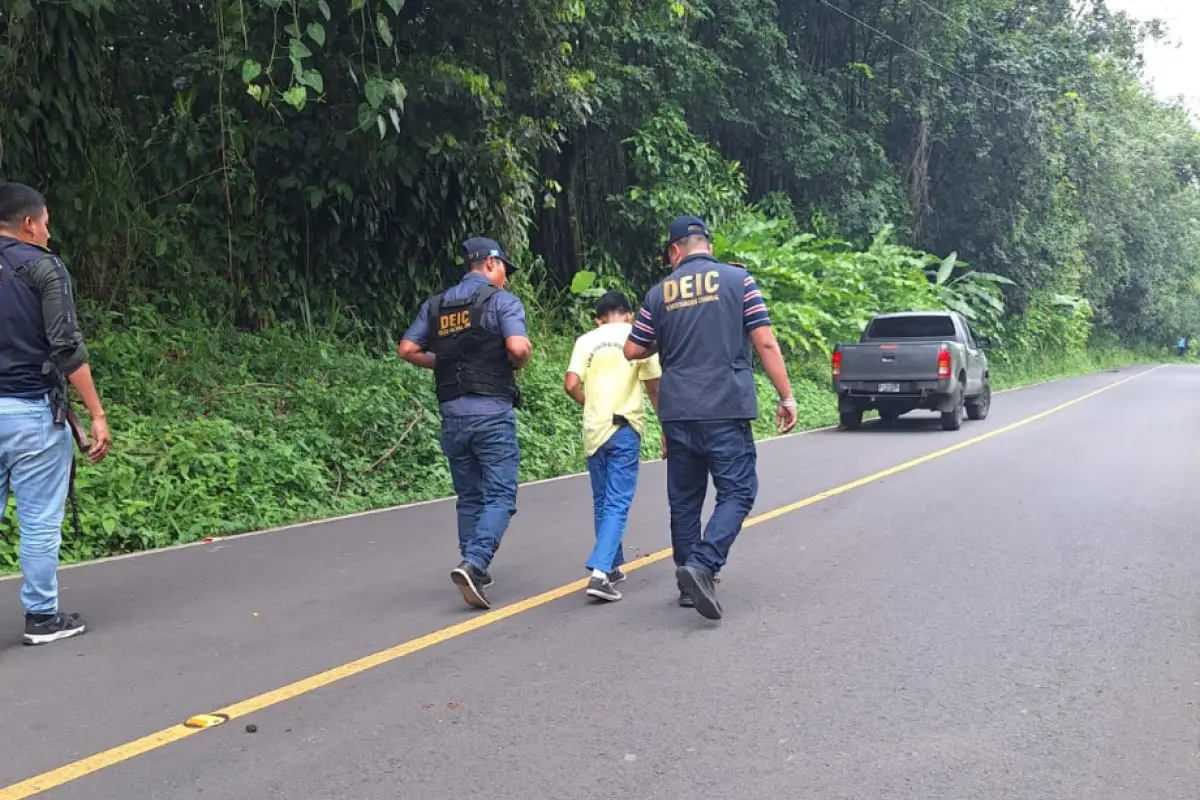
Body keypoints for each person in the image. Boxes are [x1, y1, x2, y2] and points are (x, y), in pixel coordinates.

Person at [624, 215, 797, 620]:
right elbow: (765, 342)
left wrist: (667, 336)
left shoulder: (658, 293)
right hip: (725, 407)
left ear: (675, 251)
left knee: (684, 500)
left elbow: (633, 351)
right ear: (708, 246)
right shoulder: (739, 282)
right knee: (738, 492)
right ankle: (702, 564)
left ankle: (688, 583)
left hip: (678, 411)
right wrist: (786, 396)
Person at [0, 181, 112, 645]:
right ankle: (42, 618)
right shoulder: (44, 268)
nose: (49, 232)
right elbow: (66, 345)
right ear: (29, 223)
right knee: (40, 521)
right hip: (30, 414)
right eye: (46, 223)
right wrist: (96, 413)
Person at [398, 236, 532, 611]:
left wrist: (440, 362)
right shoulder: (501, 301)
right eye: (504, 267)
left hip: (452, 415)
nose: (505, 276)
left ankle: (473, 566)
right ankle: (474, 563)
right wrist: (521, 360)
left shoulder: (436, 305)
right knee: (501, 495)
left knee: (470, 496)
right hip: (491, 413)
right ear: (490, 263)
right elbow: (518, 348)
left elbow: (407, 349)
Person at [564, 290, 662, 602]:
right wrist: (667, 427)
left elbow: (570, 384)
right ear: (630, 315)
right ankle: (600, 573)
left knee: (602, 501)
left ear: (598, 319)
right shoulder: (638, 339)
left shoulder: (585, 340)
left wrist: (589, 404)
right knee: (618, 501)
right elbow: (653, 386)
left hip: (594, 429)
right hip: (623, 427)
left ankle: (614, 564)